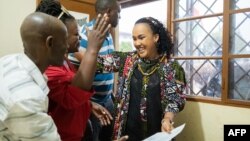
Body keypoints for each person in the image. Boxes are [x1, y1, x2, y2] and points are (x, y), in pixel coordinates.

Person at [92, 17, 186, 140]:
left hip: (157, 134)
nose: (137, 43)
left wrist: (167, 119)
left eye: (141, 38)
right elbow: (96, 63)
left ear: (155, 37)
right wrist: (88, 49)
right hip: (127, 134)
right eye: (134, 39)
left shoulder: (171, 68)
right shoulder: (126, 60)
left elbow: (174, 100)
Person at [35, 0, 115, 141]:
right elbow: (77, 89)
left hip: (93, 111)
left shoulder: (64, 61)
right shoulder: (48, 69)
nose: (79, 37)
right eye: (76, 34)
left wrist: (88, 104)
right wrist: (93, 49)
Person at [0, 12, 68, 141]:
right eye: (65, 40)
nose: (67, 47)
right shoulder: (27, 98)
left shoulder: (9, 60)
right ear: (50, 43)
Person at [70, 0, 121, 141]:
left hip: (107, 99)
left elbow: (107, 64)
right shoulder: (85, 33)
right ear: (109, 11)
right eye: (119, 12)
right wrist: (124, 61)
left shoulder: (108, 34)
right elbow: (79, 64)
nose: (120, 16)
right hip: (92, 102)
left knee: (109, 136)